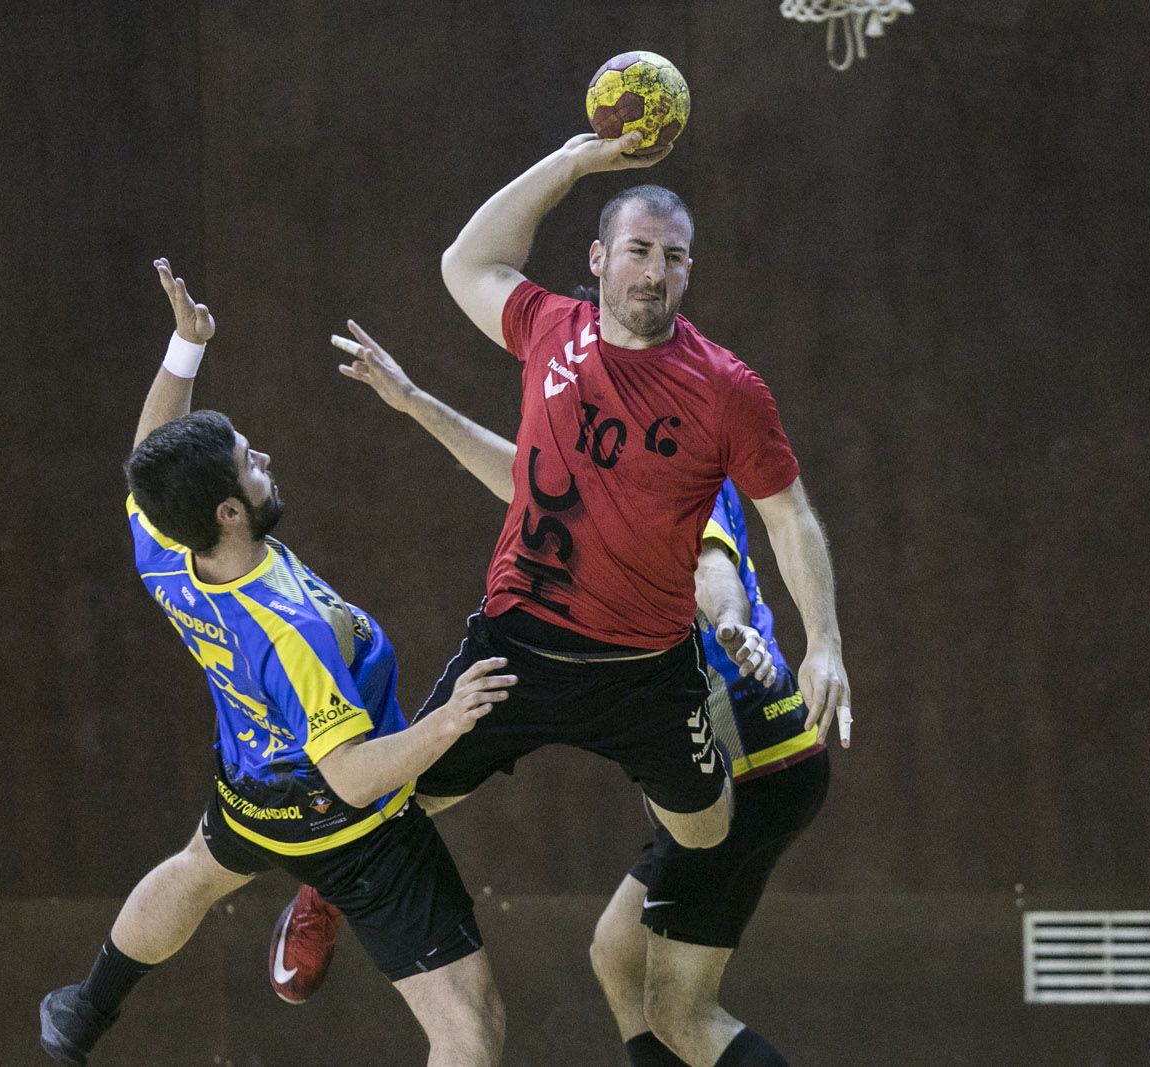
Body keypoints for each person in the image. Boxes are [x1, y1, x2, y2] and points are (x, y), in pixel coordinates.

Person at [273, 131, 851, 1067]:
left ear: (689, 272)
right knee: (388, 795)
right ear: (598, 260)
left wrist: (807, 635)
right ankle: (327, 887)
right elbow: (468, 268)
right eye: (638, 250)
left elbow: (766, 530)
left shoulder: (724, 393)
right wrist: (577, 162)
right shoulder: (550, 329)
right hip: (523, 645)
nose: (656, 271)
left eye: (674, 257)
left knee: (703, 835)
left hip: (647, 667)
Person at [37, 258, 515, 1067]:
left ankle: (83, 1011)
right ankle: (329, 890)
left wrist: (185, 350)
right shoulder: (288, 632)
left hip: (252, 787)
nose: (269, 463)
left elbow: (152, 456)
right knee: (471, 1029)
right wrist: (448, 719)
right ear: (229, 512)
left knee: (195, 870)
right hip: (352, 825)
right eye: (253, 463)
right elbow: (354, 775)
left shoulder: (167, 545)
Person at [324, 322, 831, 1067]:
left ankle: (331, 875)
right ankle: (332, 874)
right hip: (733, 753)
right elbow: (523, 482)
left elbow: (711, 564)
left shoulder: (684, 458)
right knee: (617, 954)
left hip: (754, 757)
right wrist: (415, 402)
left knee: (681, 1012)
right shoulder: (597, 456)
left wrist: (729, 621)